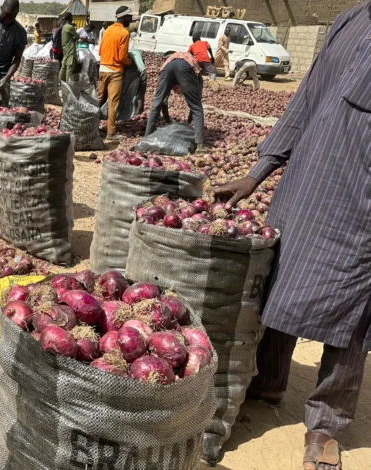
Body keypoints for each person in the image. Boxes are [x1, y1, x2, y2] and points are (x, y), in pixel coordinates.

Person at [213, 5, 370, 469]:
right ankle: (269, 378)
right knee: (281, 278)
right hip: (306, 179)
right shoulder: (353, 17)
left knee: (350, 311)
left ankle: (327, 423)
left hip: (362, 199)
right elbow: (307, 97)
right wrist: (260, 171)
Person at [144, 51, 206, 152]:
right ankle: (200, 145)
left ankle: (147, 137)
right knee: (197, 107)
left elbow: (162, 102)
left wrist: (185, 121)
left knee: (156, 103)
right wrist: (187, 122)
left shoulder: (196, 75)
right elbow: (196, 105)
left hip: (167, 67)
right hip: (184, 67)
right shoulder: (195, 72)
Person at [97, 6, 133, 142]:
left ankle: (87, 121)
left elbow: (100, 51)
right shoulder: (124, 33)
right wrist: (130, 62)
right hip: (115, 72)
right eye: (129, 17)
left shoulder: (107, 31)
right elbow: (121, 57)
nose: (131, 19)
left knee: (99, 99)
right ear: (123, 18)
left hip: (102, 69)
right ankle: (111, 133)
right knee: (113, 103)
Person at [58, 13, 77, 81]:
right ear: (70, 18)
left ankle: (60, 82)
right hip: (70, 50)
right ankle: (67, 85)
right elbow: (77, 36)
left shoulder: (64, 27)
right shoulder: (70, 27)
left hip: (65, 50)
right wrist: (74, 38)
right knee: (69, 69)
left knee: (63, 67)